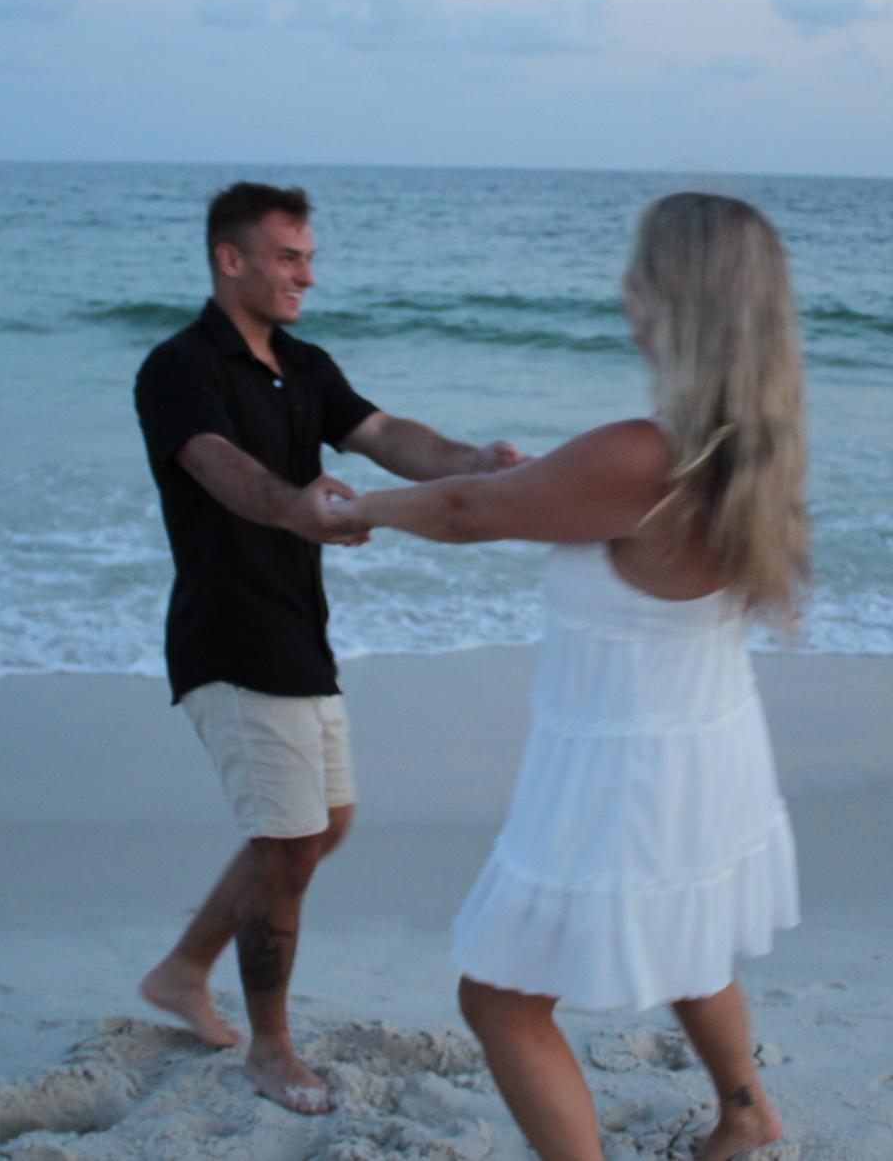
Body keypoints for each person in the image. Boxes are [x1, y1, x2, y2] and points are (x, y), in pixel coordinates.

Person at [344, 192, 806, 1161]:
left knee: (499, 1000)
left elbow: (467, 511)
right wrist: (525, 475)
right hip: (705, 749)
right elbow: (557, 501)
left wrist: (349, 509)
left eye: (639, 269)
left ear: (672, 297)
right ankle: (746, 1113)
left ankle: (727, 1119)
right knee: (688, 934)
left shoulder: (643, 454)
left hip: (626, 774)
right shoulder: (746, 447)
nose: (622, 285)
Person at [132, 181, 522, 1115]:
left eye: (308, 257)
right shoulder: (178, 367)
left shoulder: (303, 364)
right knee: (289, 843)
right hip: (227, 635)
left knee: (323, 826)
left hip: (297, 627)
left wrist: (472, 461)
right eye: (288, 258)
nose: (306, 274)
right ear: (230, 259)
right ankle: (270, 1049)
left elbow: (384, 434)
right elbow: (221, 469)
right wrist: (296, 508)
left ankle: (182, 971)